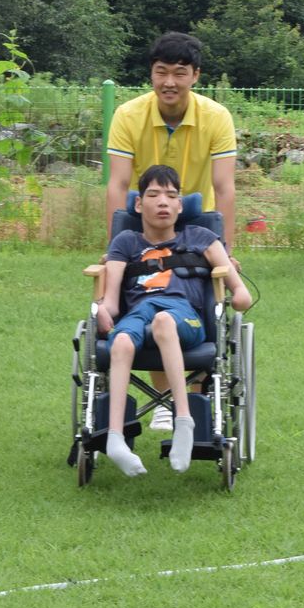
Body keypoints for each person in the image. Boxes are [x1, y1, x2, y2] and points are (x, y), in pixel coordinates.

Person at [105, 31, 238, 431]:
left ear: (195, 75)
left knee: (190, 300)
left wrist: (226, 249)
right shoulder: (128, 115)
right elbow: (116, 184)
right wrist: (114, 246)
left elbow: (225, 187)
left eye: (179, 73)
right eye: (161, 72)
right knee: (146, 294)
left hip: (197, 220)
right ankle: (165, 400)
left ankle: (191, 401)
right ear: (151, 74)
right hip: (141, 219)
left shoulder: (216, 117)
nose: (169, 82)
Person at [95, 164, 251, 477]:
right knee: (122, 340)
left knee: (165, 321)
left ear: (181, 205)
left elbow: (241, 292)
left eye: (171, 195)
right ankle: (114, 439)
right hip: (138, 314)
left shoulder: (201, 237)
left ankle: (184, 422)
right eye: (153, 194)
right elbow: (111, 302)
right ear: (138, 205)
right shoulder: (125, 242)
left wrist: (237, 295)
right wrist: (101, 310)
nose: (163, 202)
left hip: (185, 318)